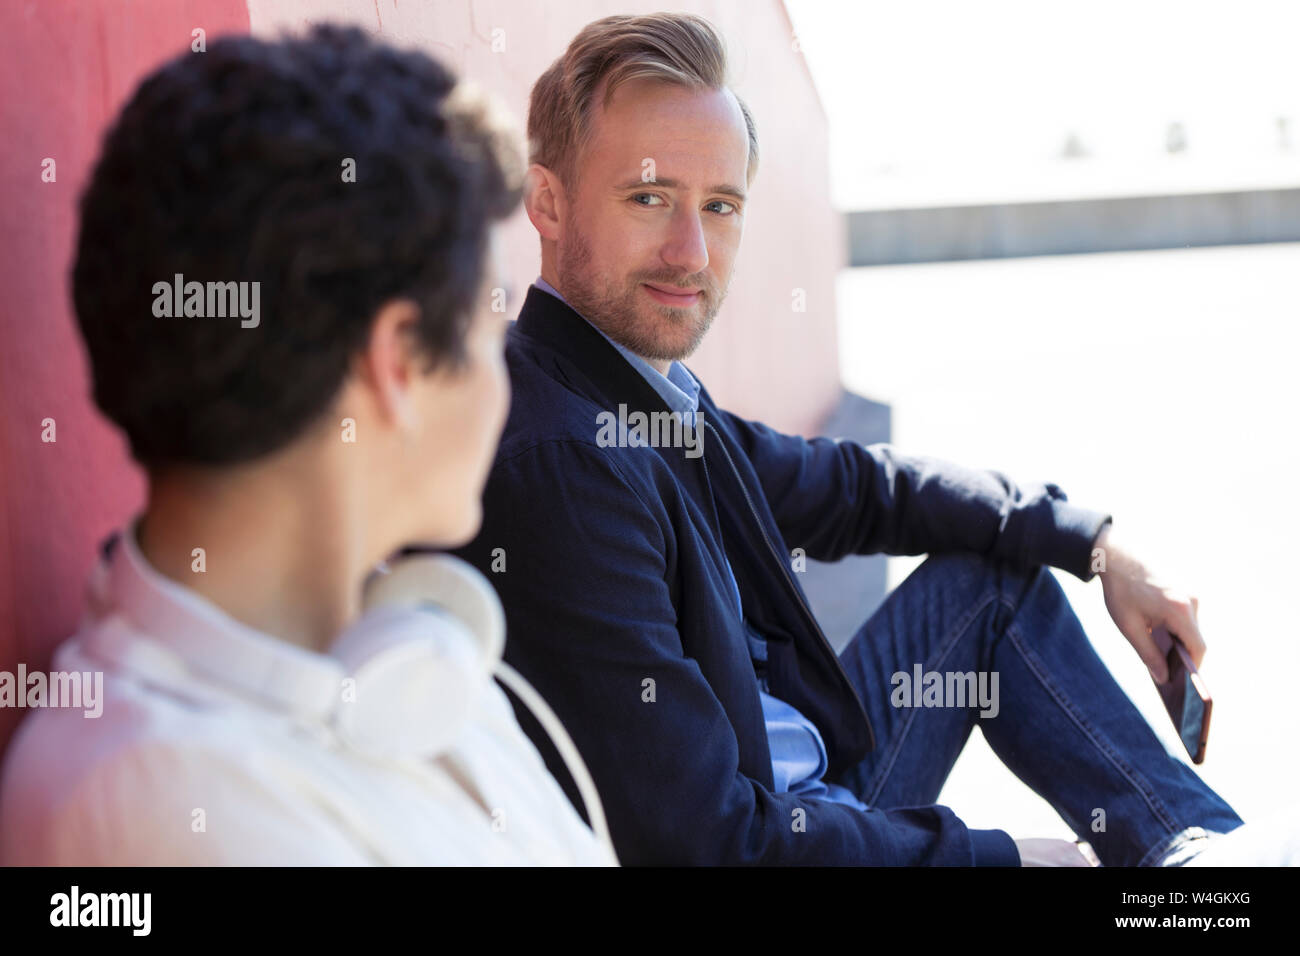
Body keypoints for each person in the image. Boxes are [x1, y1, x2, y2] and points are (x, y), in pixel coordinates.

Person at [449, 12, 1248, 866]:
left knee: (992, 581)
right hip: (779, 832)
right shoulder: (566, 461)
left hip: (807, 784)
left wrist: (1099, 546)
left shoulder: (639, 390)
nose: (691, 251)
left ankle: (1199, 862)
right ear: (549, 203)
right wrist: (1003, 859)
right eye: (649, 198)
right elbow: (707, 845)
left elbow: (860, 487)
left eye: (719, 206)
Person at [0, 24, 616, 866]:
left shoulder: (410, 649)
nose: (502, 382)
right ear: (398, 362)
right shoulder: (156, 801)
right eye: (488, 325)